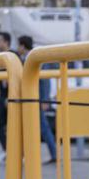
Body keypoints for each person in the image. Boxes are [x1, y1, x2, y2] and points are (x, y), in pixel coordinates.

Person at [17, 34, 56, 163]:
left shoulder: (34, 59)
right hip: (32, 98)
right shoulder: (27, 58)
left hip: (36, 98)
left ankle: (53, 153)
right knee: (36, 127)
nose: (18, 48)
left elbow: (44, 80)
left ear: (23, 46)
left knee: (43, 127)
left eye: (19, 45)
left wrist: (45, 99)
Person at [0, 31, 13, 163]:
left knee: (5, 124)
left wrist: (10, 96)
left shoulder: (11, 56)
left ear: (6, 42)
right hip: (3, 96)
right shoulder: (2, 57)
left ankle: (11, 152)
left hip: (8, 96)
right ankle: (8, 151)